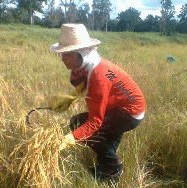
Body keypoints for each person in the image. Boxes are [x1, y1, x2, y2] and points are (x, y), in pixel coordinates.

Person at [51, 23, 146, 181]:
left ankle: (113, 165)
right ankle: (107, 174)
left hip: (129, 113)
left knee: (77, 123)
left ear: (80, 53)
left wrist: (68, 140)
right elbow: (85, 87)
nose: (62, 58)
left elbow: (95, 121)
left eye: (67, 54)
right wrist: (68, 100)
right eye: (62, 54)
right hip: (122, 107)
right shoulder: (91, 65)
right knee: (107, 141)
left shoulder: (99, 76)